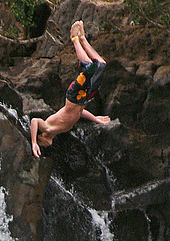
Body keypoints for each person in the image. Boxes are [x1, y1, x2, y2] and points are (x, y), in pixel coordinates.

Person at [31, 20, 110, 158]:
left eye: (41, 144)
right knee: (101, 64)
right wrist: (95, 118)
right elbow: (78, 113)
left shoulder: (48, 127)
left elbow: (34, 121)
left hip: (75, 96)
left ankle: (74, 39)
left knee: (89, 65)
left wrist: (33, 143)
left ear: (42, 136)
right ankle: (83, 39)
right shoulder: (60, 129)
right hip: (83, 98)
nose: (43, 147)